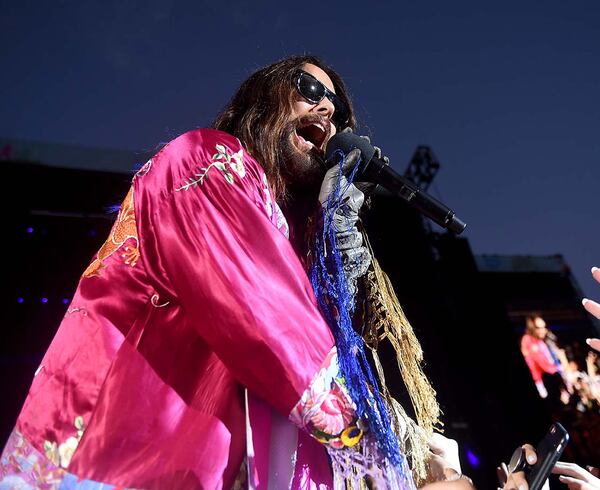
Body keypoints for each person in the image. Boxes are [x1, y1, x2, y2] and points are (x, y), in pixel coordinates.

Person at [0, 55, 463, 489]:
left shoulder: (284, 233)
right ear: (264, 101)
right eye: (309, 88)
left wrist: (337, 234)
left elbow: (327, 338)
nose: (327, 109)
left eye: (339, 111)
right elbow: (275, 327)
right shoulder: (207, 161)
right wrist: (392, 451)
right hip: (117, 460)